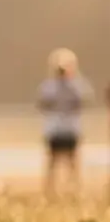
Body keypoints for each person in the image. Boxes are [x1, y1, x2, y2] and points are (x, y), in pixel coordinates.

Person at [36, 48, 91, 199]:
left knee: (63, 163)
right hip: (62, 129)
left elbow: (42, 105)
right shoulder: (75, 86)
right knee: (60, 163)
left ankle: (69, 191)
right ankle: (57, 191)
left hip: (62, 129)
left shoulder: (50, 87)